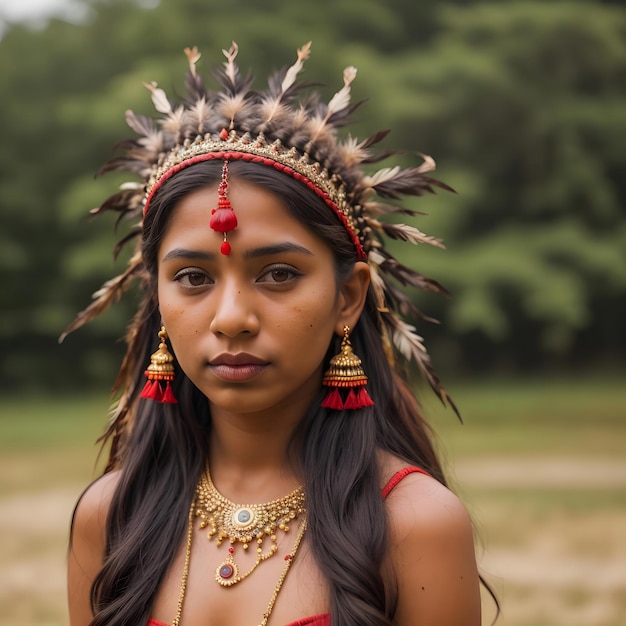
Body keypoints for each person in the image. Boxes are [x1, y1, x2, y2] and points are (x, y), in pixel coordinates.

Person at [65, 41, 493, 626]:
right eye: (193, 277)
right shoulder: (110, 517)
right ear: (157, 297)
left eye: (279, 274)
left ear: (348, 296)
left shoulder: (414, 525)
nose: (232, 316)